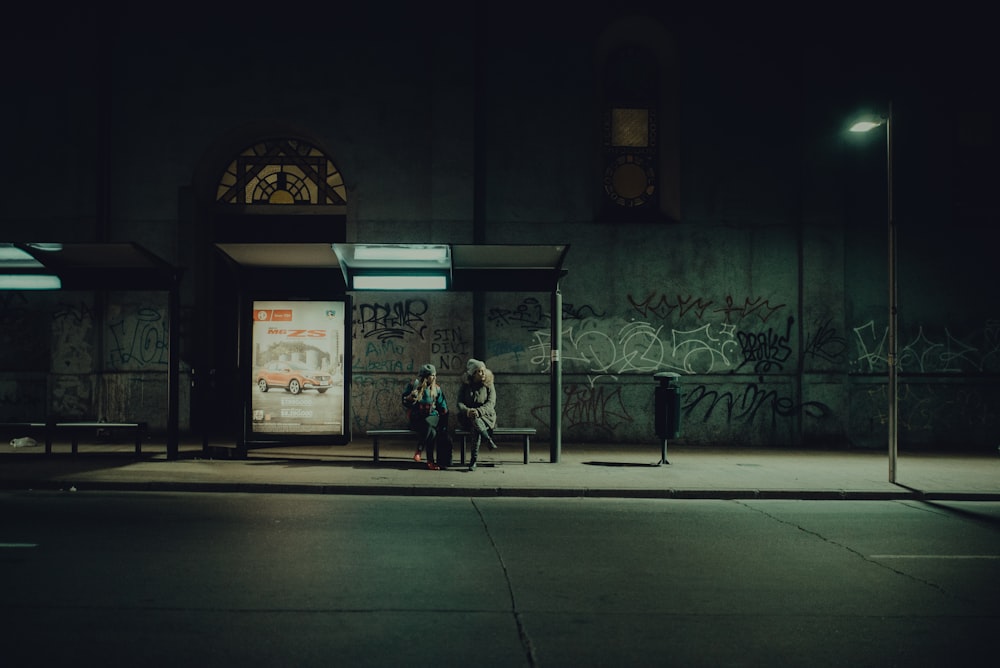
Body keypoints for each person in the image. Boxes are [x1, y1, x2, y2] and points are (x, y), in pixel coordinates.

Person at [401, 363, 449, 469]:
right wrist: (410, 398)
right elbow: (405, 401)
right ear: (425, 376)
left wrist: (444, 415)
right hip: (418, 418)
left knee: (429, 425)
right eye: (432, 375)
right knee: (431, 432)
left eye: (435, 375)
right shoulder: (414, 386)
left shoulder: (436, 389)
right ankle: (430, 462)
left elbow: (443, 406)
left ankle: (419, 449)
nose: (434, 377)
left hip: (432, 417)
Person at [456, 358, 498, 471]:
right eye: (479, 371)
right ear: (473, 373)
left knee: (475, 426)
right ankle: (487, 439)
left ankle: (473, 461)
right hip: (467, 417)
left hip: (486, 417)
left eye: (484, 370)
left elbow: (491, 403)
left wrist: (479, 411)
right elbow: (459, 403)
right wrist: (467, 411)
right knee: (474, 421)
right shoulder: (465, 385)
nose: (483, 373)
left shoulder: (489, 385)